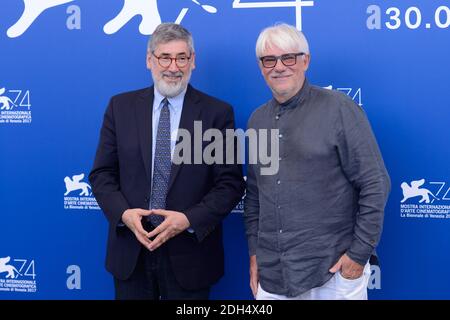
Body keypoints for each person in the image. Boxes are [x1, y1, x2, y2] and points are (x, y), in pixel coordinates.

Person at [89, 23, 245, 300]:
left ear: (193, 61)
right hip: (131, 254)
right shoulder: (120, 107)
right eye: (165, 57)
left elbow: (230, 184)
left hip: (190, 255)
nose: (174, 67)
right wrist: (125, 215)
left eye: (182, 57)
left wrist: (187, 219)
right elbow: (102, 174)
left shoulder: (217, 113)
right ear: (150, 60)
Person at [244, 23, 391, 300]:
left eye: (288, 57)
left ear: (305, 60)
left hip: (333, 274)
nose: (279, 67)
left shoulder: (339, 109)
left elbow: (375, 184)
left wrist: (358, 255)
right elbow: (254, 196)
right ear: (261, 66)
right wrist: (255, 253)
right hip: (273, 276)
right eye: (269, 60)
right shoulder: (257, 120)